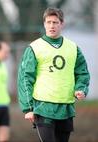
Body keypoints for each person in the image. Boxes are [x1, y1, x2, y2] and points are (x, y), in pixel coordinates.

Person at [17, 7, 90, 142]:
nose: (52, 25)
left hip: (65, 107)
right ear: (44, 24)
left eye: (55, 22)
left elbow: (82, 72)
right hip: (43, 107)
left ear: (62, 24)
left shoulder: (73, 48)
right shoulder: (34, 47)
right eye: (49, 22)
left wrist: (81, 89)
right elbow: (25, 78)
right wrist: (28, 108)